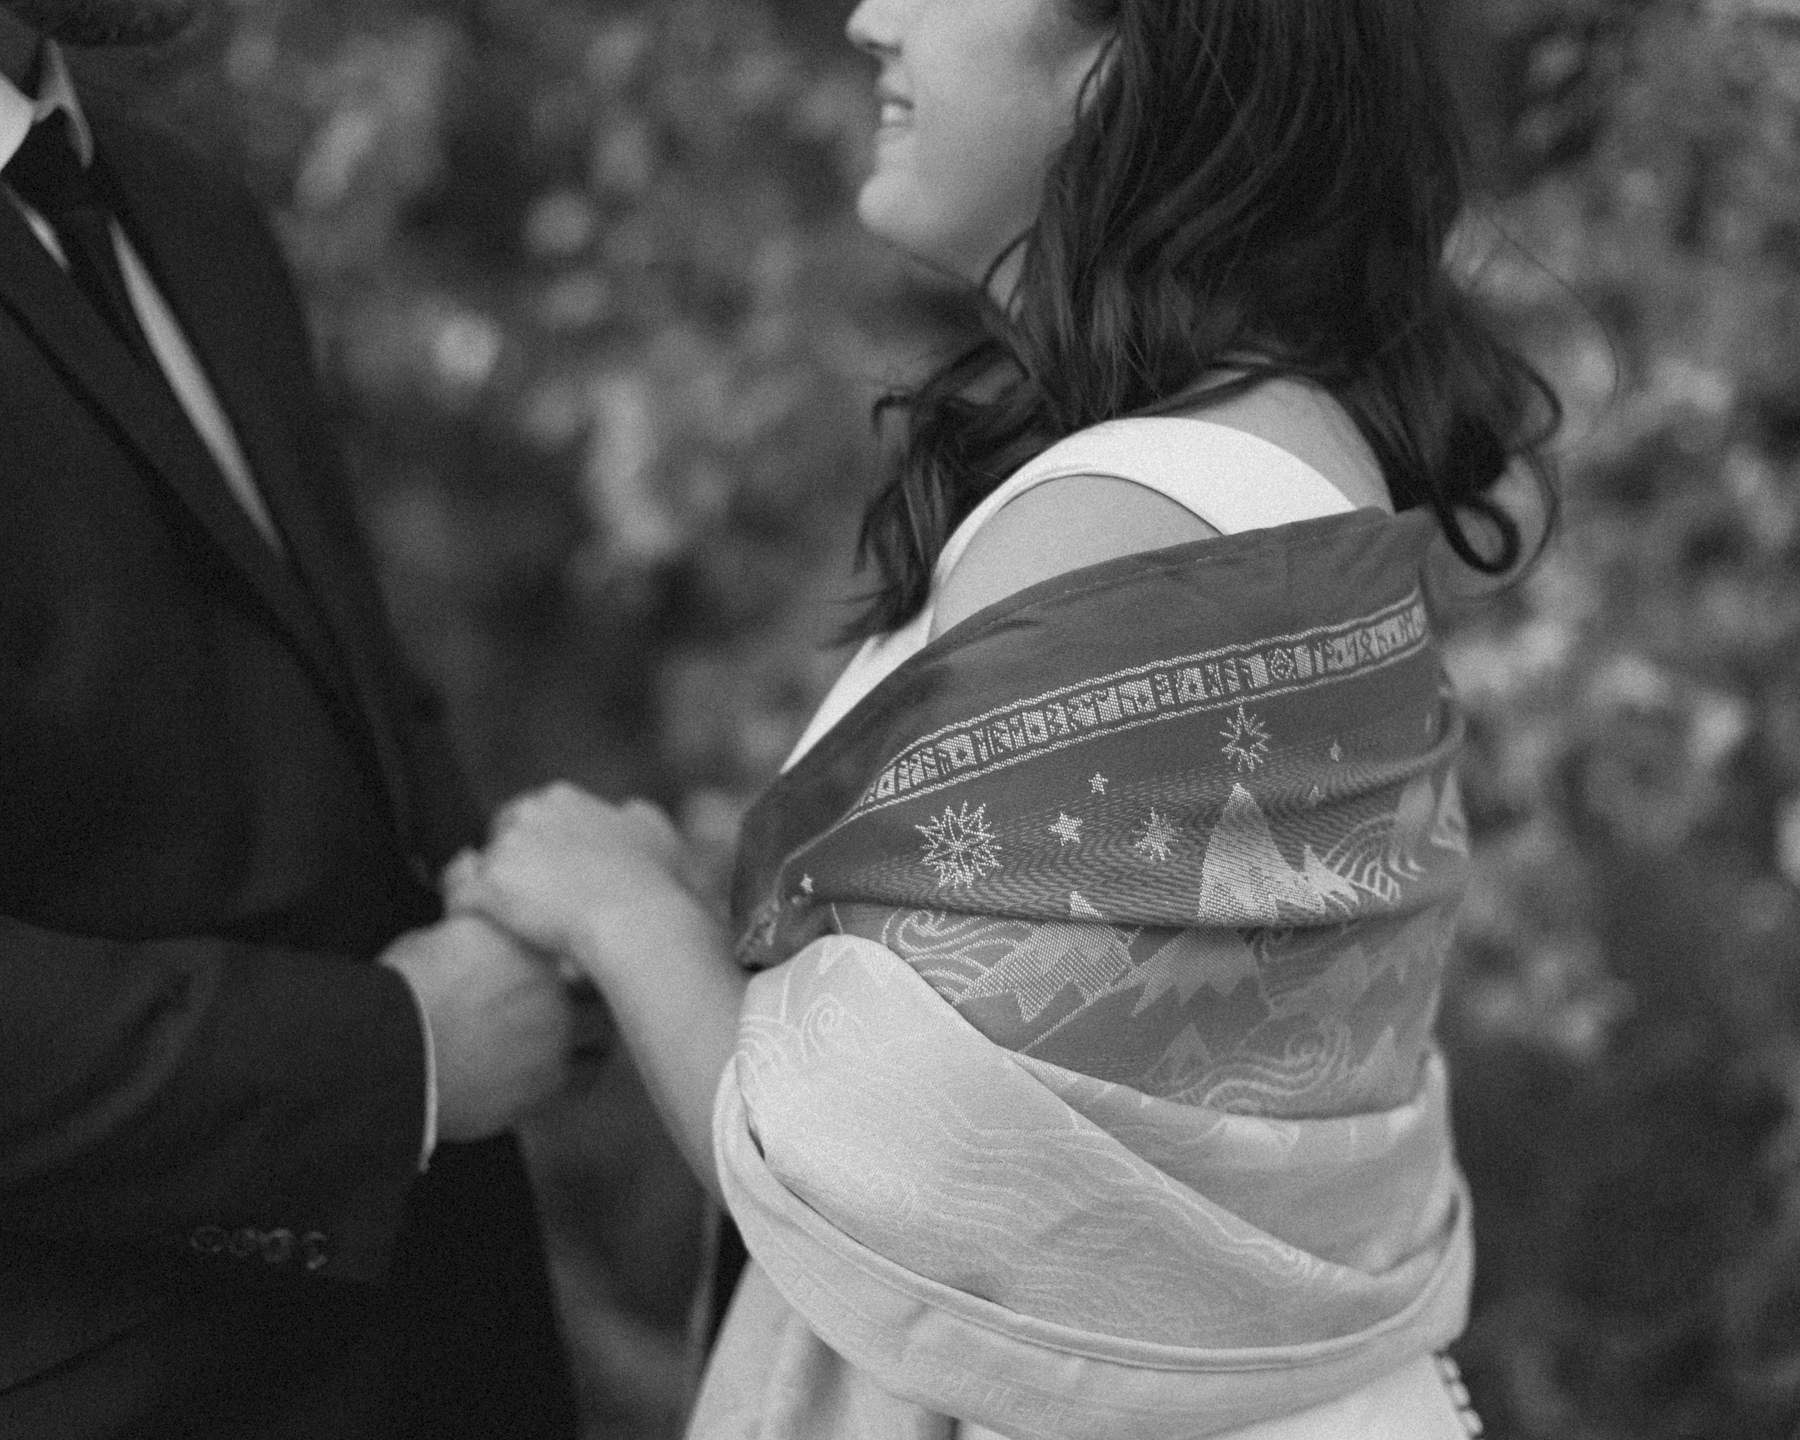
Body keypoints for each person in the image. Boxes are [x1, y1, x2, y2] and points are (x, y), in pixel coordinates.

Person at [449, 0, 1556, 1434]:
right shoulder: (1278, 447)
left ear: (1116, 57)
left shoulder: (1130, 516)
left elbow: (896, 1171)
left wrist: (614, 907)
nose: (866, 17)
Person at [0, 3, 581, 1437]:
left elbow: (334, 703)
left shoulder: (190, 207)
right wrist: (397, 1056)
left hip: (454, 1349)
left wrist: (544, 900)